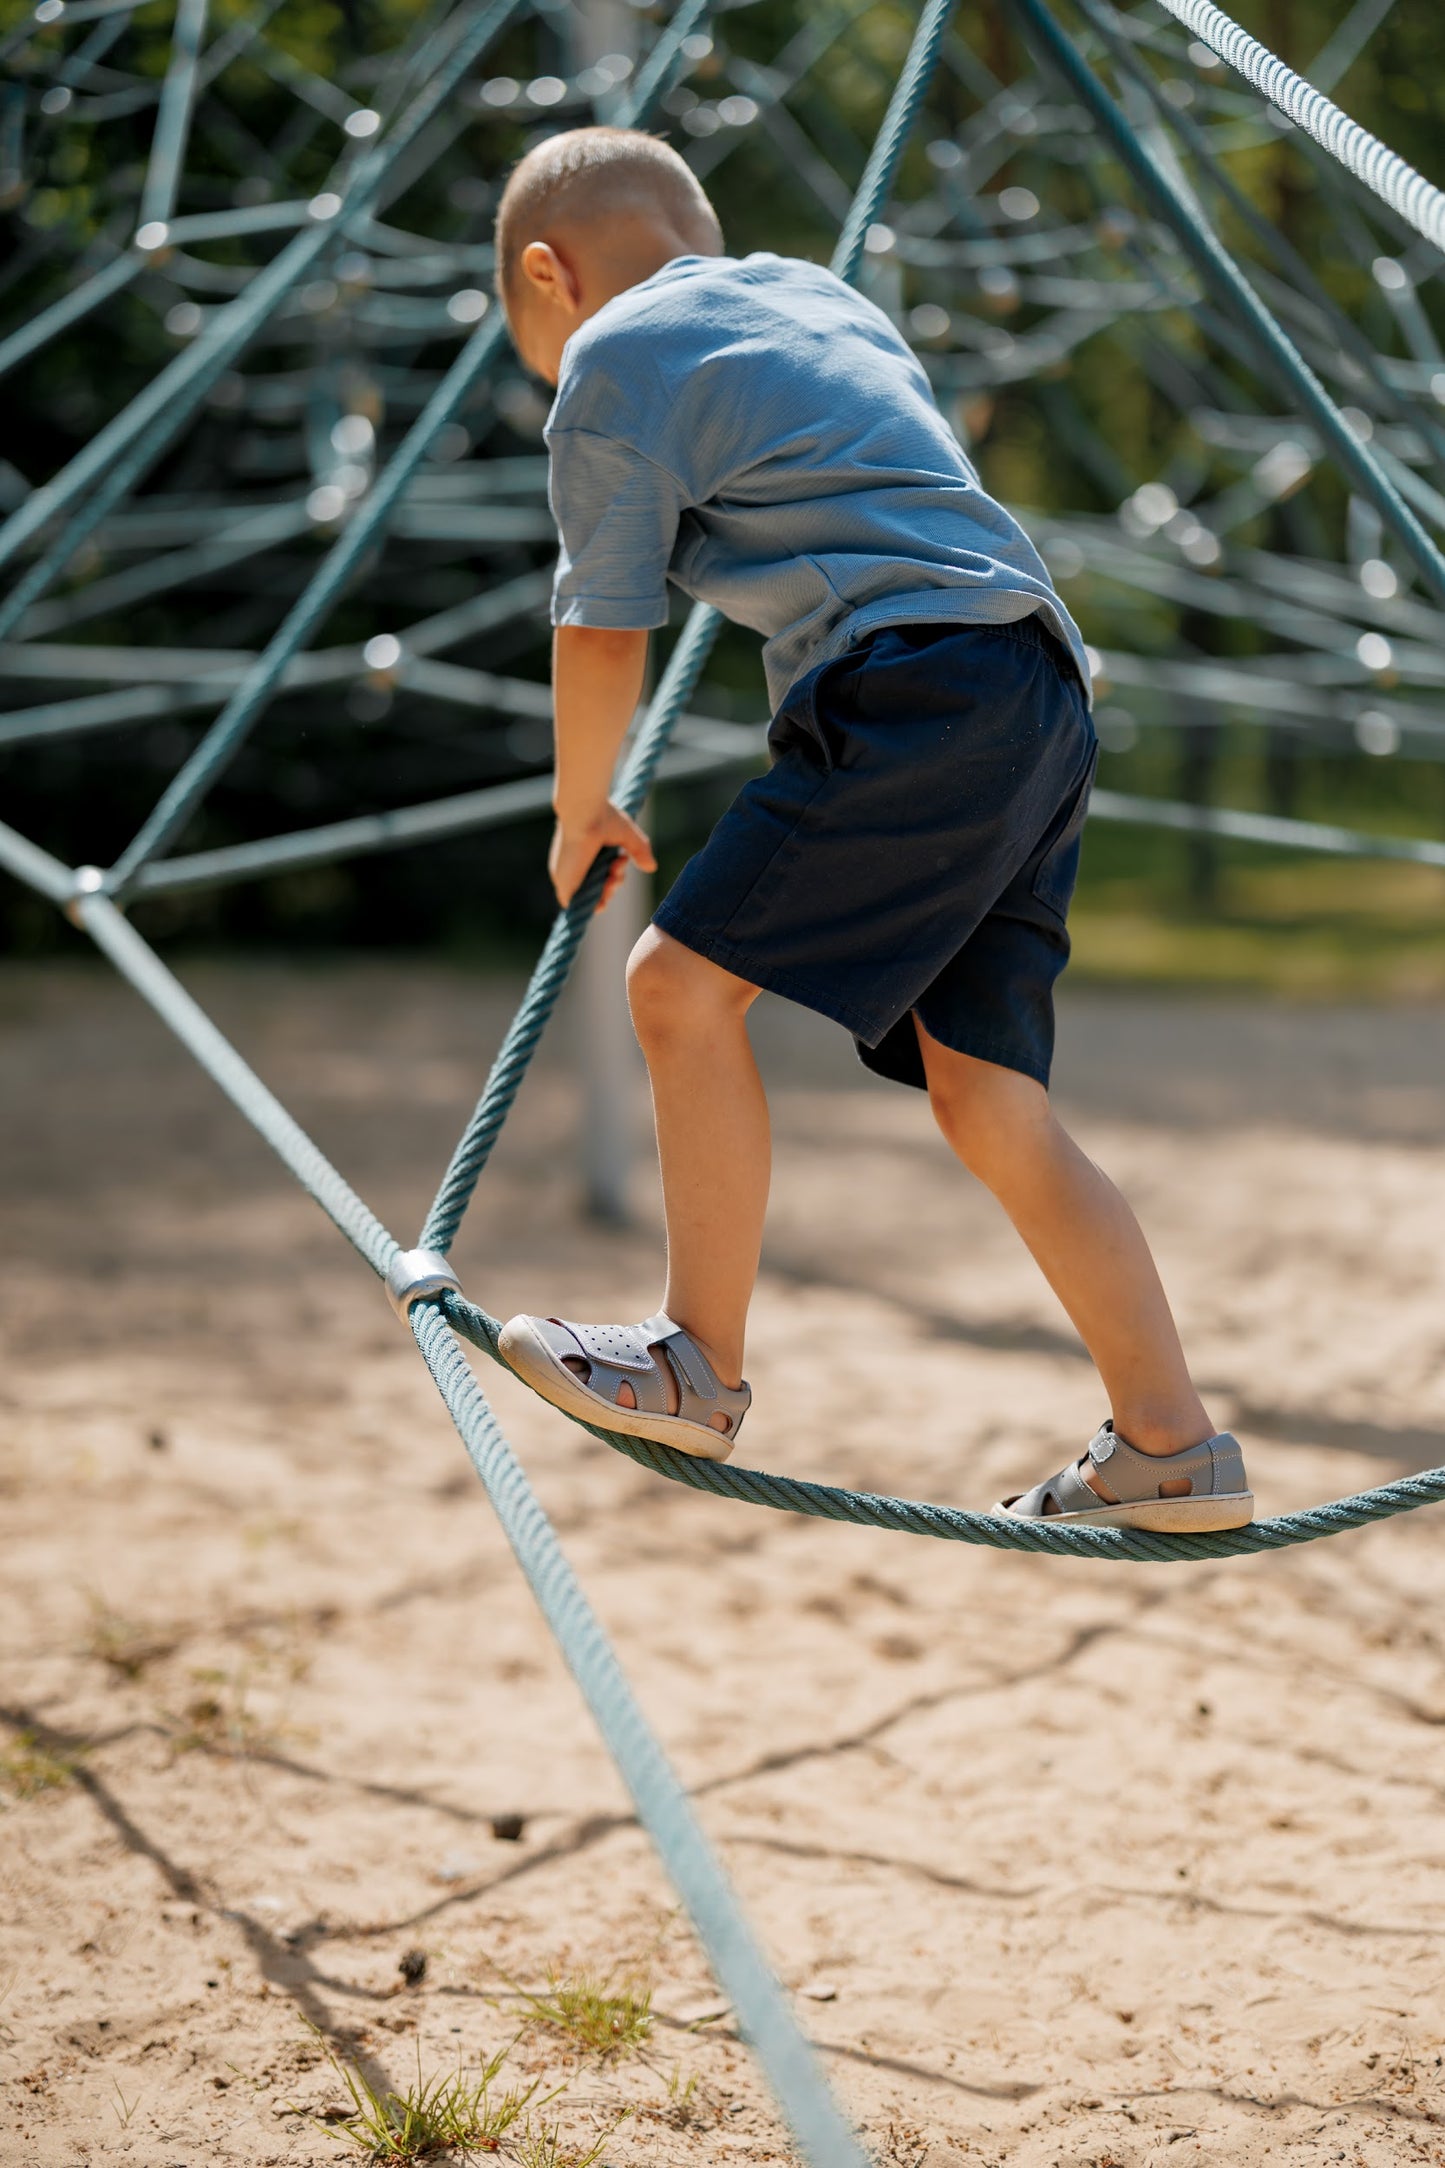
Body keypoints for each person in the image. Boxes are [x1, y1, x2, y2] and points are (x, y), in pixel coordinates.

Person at [492, 126, 1251, 1533]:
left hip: (913, 685)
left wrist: (579, 804)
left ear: (550, 274)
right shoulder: (818, 299)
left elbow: (600, 626)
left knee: (674, 990)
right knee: (989, 1100)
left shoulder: (608, 356)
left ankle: (695, 1364)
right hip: (1037, 687)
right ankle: (1170, 1445)